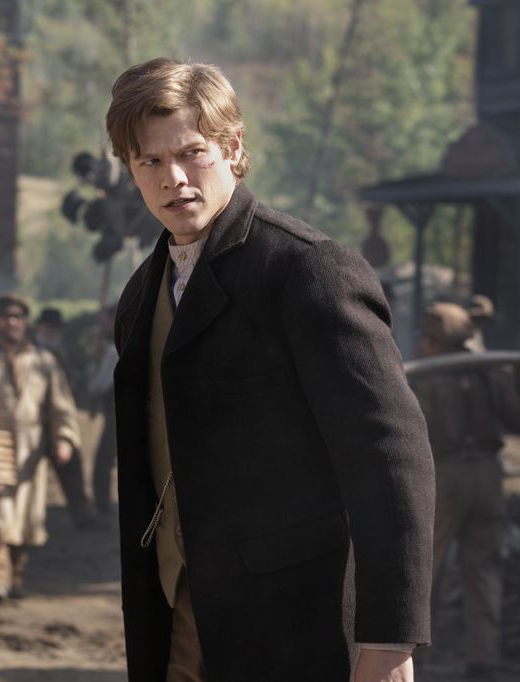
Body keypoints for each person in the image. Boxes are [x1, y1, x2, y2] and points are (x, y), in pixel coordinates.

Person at [105, 59, 435, 681]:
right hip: (176, 620)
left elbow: (391, 460)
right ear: (130, 170)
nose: (173, 178)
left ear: (232, 149)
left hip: (294, 628)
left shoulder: (308, 273)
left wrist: (390, 644)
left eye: (191, 152)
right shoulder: (140, 296)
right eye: (149, 161)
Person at [410, 303, 520, 681]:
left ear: (433, 339)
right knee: (483, 570)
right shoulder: (489, 372)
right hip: (486, 475)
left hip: (445, 476)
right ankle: (483, 657)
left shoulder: (424, 379)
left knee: (424, 567)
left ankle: (414, 650)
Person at [0, 294, 80, 604]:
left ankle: (17, 574)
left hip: (31, 448)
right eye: (4, 317)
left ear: (25, 322)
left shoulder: (43, 361)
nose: (10, 323)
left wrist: (63, 439)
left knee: (27, 515)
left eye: (16, 318)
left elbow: (61, 405)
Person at [32, 306, 97, 528]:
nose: (52, 333)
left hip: (60, 417)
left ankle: (83, 516)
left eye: (56, 329)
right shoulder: (30, 352)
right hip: (36, 419)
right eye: (49, 328)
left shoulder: (63, 351)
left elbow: (73, 378)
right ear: (39, 328)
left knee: (72, 466)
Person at [88, 305, 119, 519]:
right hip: (118, 412)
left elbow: (99, 385)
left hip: (118, 414)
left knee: (103, 462)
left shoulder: (115, 349)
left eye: (106, 322)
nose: (102, 327)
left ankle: (103, 507)